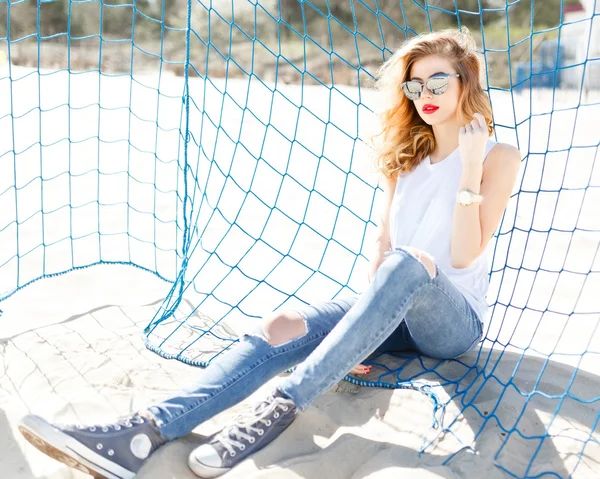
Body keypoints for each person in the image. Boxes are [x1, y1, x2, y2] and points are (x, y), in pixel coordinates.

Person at [18, 29, 521, 479]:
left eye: (437, 83)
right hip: (392, 306)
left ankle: (279, 407)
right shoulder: (405, 159)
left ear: (466, 82)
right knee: (278, 325)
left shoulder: (498, 156)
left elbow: (462, 255)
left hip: (450, 323)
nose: (424, 96)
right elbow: (382, 245)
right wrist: (359, 335)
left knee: (413, 262)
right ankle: (143, 432)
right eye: (414, 86)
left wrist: (472, 166)